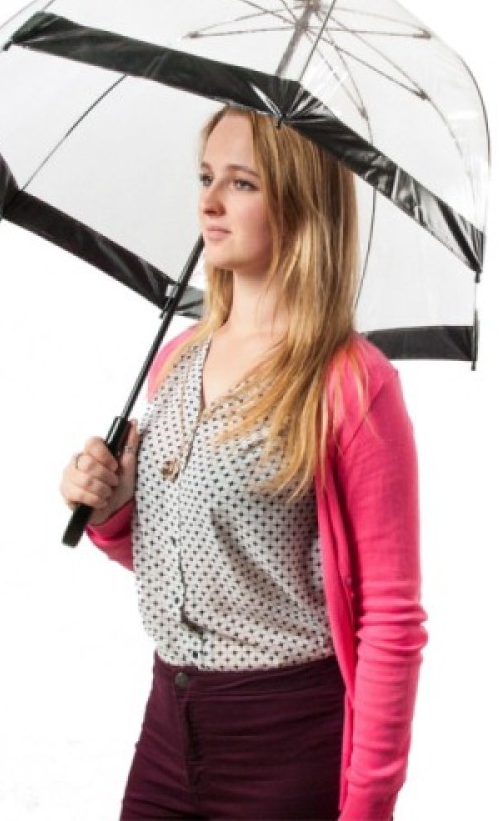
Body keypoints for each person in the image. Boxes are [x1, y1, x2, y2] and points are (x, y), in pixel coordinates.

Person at [59, 105, 428, 821]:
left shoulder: (351, 383)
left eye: (242, 183)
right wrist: (111, 512)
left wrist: (368, 804)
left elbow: (390, 620)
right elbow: (201, 558)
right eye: (206, 177)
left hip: (288, 740)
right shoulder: (177, 359)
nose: (209, 203)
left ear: (300, 202)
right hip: (169, 729)